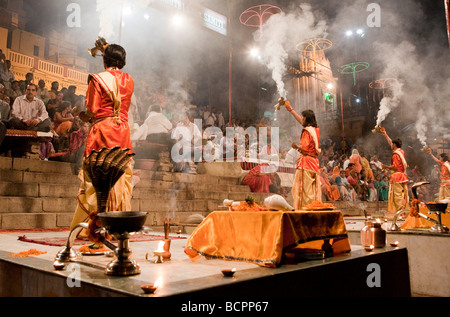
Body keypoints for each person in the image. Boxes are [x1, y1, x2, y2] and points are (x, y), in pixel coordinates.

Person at [69, 39, 135, 243]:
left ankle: (96, 227)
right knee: (118, 175)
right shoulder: (130, 80)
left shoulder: (98, 79)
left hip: (103, 131)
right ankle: (118, 225)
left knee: (98, 176)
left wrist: (78, 113)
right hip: (122, 130)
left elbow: (92, 111)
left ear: (104, 60)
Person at [284, 102, 322, 209]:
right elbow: (300, 121)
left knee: (303, 191)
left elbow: (304, 151)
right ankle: (314, 210)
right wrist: (291, 110)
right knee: (313, 191)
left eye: (303, 117)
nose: (302, 118)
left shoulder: (306, 132)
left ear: (306, 119)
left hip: (305, 163)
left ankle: (304, 212)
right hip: (314, 163)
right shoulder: (315, 130)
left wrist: (295, 147)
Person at [379, 127, 409, 213]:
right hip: (402, 175)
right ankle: (402, 211)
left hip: (397, 176)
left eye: (392, 144)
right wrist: (385, 134)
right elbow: (390, 142)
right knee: (402, 194)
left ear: (394, 145)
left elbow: (395, 167)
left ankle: (400, 211)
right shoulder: (401, 151)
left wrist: (386, 167)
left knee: (397, 195)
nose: (391, 145)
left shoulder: (395, 154)